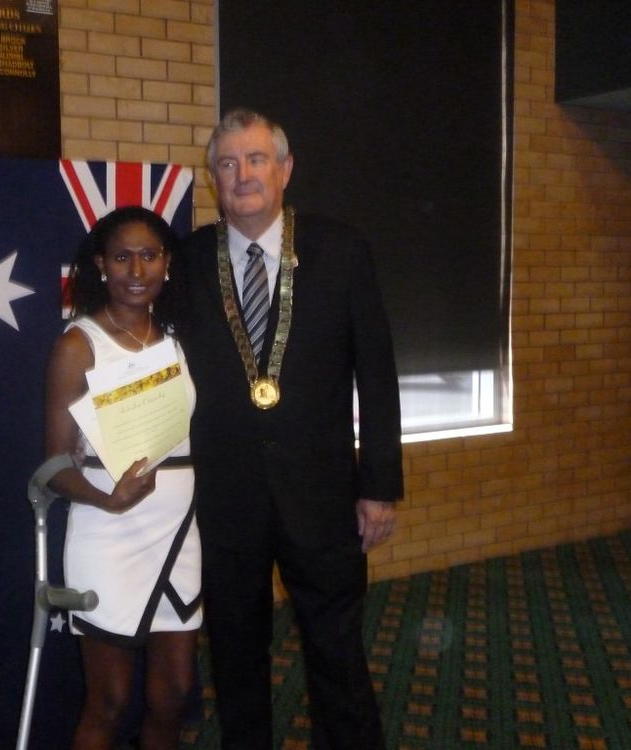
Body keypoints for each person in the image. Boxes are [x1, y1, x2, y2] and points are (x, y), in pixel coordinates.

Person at [178, 109, 404, 749]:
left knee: (336, 651)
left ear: (285, 169)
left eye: (254, 160)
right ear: (213, 178)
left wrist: (379, 484)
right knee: (236, 653)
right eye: (227, 163)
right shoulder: (189, 262)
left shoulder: (341, 249)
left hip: (324, 495)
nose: (241, 175)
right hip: (225, 500)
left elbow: (377, 373)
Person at [44, 205, 202, 750]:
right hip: (108, 534)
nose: (137, 271)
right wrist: (107, 499)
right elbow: (54, 466)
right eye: (122, 257)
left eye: (149, 256)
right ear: (100, 266)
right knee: (107, 702)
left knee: (174, 693)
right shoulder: (78, 344)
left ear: (167, 263)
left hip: (180, 532)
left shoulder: (180, 337)